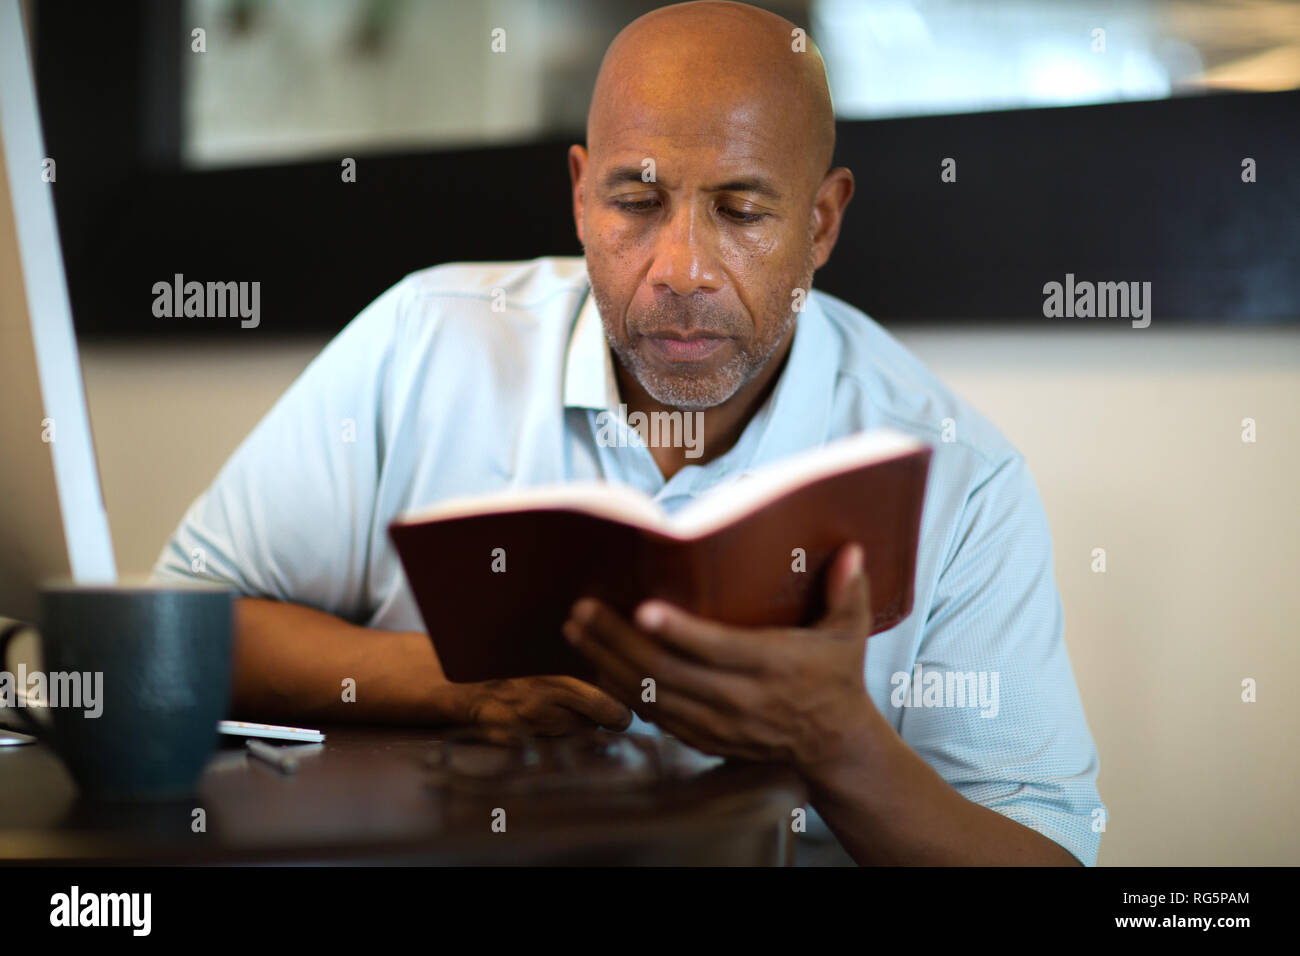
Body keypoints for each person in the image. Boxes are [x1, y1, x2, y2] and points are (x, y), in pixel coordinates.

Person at [154, 1, 1103, 865]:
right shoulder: (423, 345)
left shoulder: (959, 482)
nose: (681, 268)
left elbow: (1047, 855)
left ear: (820, 222)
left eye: (741, 210)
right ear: (579, 195)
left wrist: (839, 745)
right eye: (636, 204)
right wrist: (455, 681)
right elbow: (179, 629)